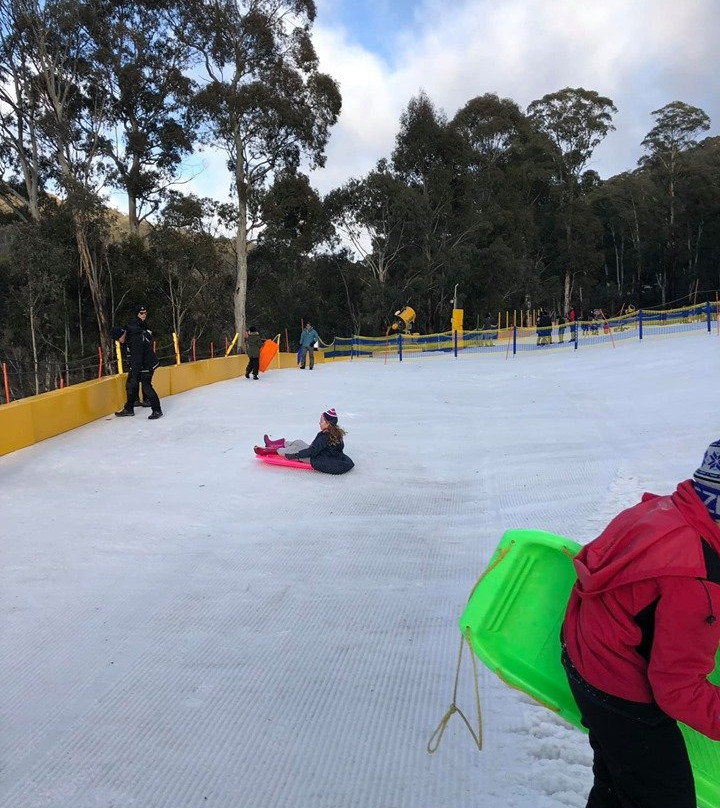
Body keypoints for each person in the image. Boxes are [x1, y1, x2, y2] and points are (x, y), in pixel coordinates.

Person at [561, 440, 720, 808]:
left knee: (619, 782)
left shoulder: (669, 510)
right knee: (666, 795)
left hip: (584, 649)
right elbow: (678, 690)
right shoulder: (696, 582)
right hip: (618, 685)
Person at [254, 408, 354, 475]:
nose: (319, 422)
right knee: (299, 442)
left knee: (293, 449)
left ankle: (270, 450)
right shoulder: (335, 433)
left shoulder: (324, 436)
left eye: (321, 421)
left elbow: (311, 452)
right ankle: (272, 444)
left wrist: (294, 455)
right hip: (321, 455)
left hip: (319, 460)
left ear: (327, 423)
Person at [112, 305, 162, 420]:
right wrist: (133, 373)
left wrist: (134, 372)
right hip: (139, 362)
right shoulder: (129, 335)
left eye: (118, 339)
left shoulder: (134, 338)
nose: (119, 342)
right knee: (130, 384)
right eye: (141, 313)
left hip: (148, 363)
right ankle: (129, 408)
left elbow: (137, 357)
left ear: (121, 335)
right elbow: (132, 357)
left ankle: (157, 410)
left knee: (146, 386)